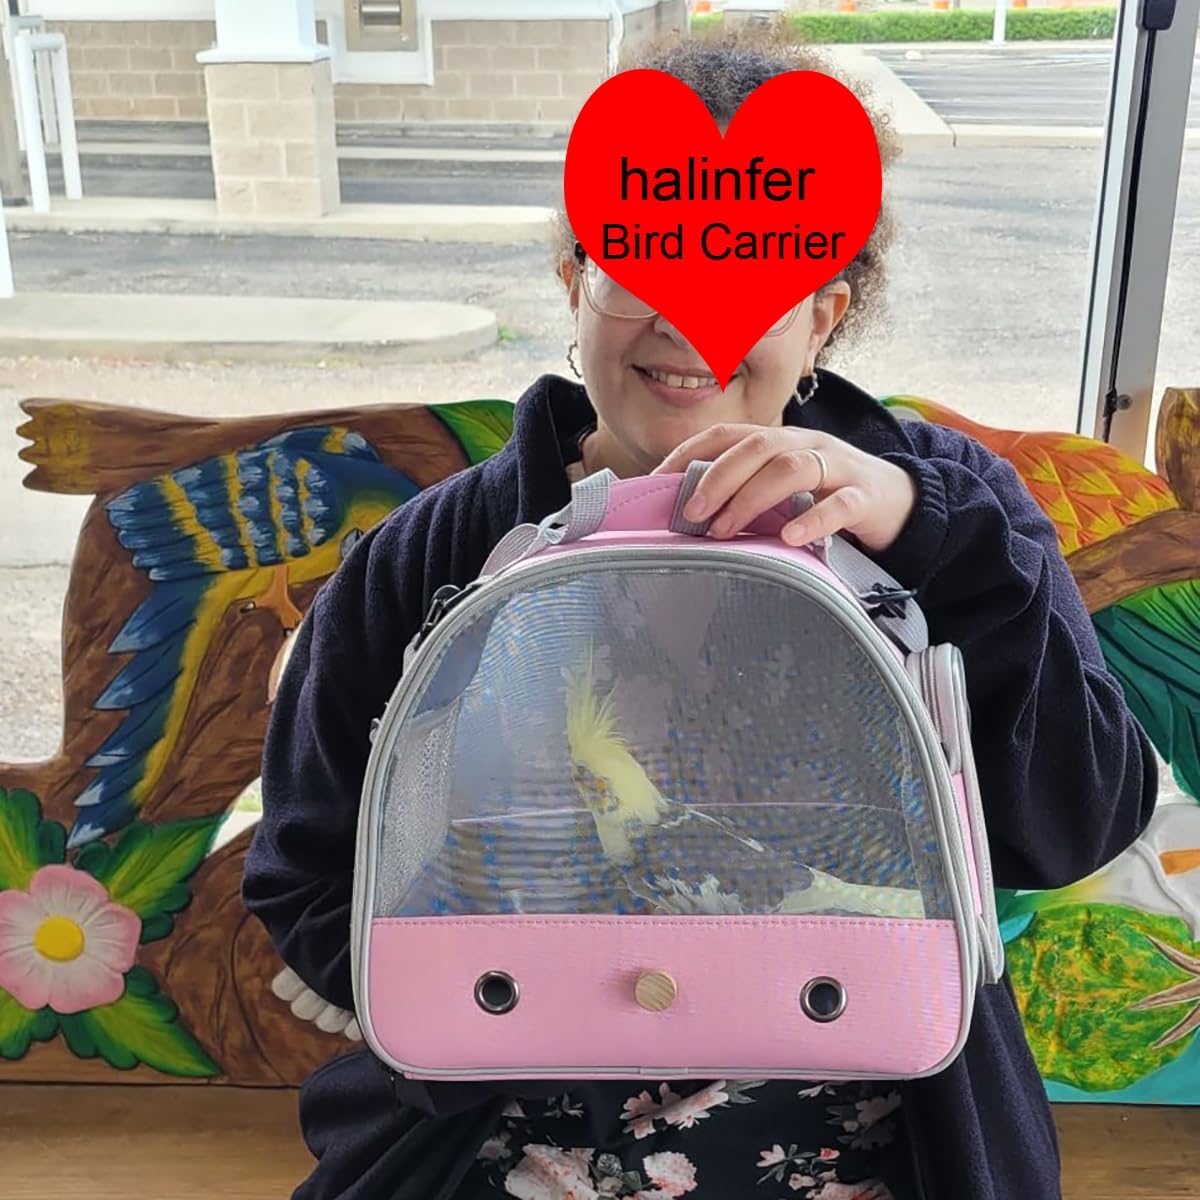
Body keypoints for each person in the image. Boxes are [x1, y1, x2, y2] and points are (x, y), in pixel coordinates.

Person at [243, 24, 1158, 1200]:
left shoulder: (947, 510)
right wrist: (520, 980)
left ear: (824, 313)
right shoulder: (433, 555)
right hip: (501, 1140)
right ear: (575, 281)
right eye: (641, 264)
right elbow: (306, 870)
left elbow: (1078, 821)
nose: (689, 323)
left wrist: (922, 529)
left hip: (884, 1143)